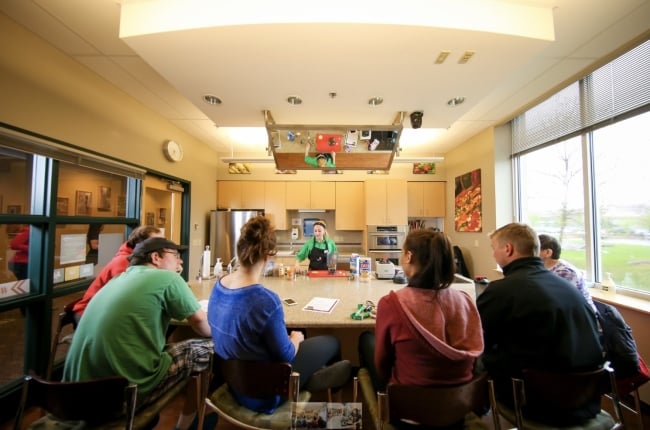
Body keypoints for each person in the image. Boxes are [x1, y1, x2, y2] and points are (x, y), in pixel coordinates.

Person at [63, 237, 213, 430]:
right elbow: (201, 325)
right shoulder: (168, 279)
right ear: (156, 257)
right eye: (176, 256)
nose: (180, 261)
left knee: (172, 347)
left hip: (73, 398)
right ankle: (189, 425)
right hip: (122, 398)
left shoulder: (118, 279)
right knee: (209, 348)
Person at [207, 215, 350, 413]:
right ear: (268, 256)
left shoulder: (219, 286)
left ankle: (310, 384)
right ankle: (337, 415)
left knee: (302, 345)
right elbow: (287, 353)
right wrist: (295, 338)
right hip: (266, 393)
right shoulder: (266, 300)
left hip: (235, 384)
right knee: (332, 342)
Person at [477, 223, 604, 426]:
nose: (493, 254)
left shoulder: (502, 291)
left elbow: (478, 341)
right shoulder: (569, 287)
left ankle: (471, 416)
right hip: (585, 398)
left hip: (537, 401)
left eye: (494, 248)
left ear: (508, 249)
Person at [358, 230, 484, 402]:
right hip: (460, 404)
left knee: (366, 339)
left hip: (410, 411)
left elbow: (382, 366)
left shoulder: (391, 304)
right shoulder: (465, 301)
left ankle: (383, 404)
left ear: (409, 256)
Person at [71, 225, 164, 322]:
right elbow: (126, 295)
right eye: (156, 242)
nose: (162, 246)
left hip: (109, 309)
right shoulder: (124, 261)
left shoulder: (142, 259)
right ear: (140, 244)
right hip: (90, 313)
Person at [538, 233, 597, 313]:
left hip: (581, 318)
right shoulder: (543, 268)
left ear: (548, 252)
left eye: (535, 249)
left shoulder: (566, 272)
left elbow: (558, 301)